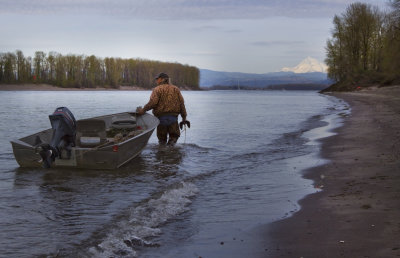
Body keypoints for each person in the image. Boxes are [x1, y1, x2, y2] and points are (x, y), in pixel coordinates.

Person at [137, 72, 190, 145]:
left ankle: (162, 154)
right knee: (173, 138)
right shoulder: (176, 89)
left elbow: (153, 102)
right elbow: (181, 104)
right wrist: (184, 118)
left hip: (161, 119)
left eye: (157, 79)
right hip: (173, 119)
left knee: (162, 141)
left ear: (162, 79)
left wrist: (143, 110)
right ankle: (171, 152)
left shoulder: (157, 89)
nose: (156, 81)